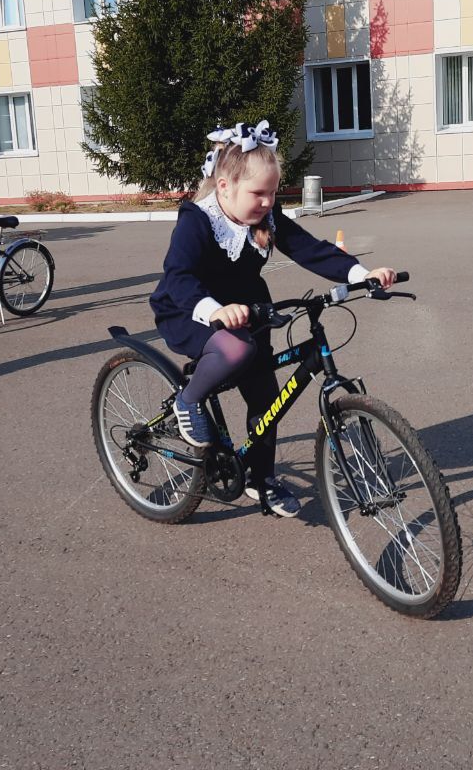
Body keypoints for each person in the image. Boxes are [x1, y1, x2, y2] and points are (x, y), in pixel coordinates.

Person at [149, 121, 396, 517]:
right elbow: (179, 277)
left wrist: (359, 273)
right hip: (191, 310)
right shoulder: (198, 219)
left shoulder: (266, 218)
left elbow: (309, 248)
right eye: (258, 193)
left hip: (250, 310)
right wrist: (215, 310)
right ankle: (188, 399)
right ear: (225, 186)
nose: (267, 201)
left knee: (265, 398)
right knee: (237, 347)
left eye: (272, 192)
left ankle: (260, 479)